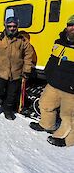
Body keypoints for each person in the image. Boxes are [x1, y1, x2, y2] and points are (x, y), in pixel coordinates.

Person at [30, 15, 74, 147]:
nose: (73, 28)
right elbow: (53, 58)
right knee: (45, 104)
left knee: (69, 115)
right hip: (54, 83)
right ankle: (46, 124)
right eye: (71, 25)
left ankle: (67, 139)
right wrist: (49, 73)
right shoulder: (59, 41)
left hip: (71, 87)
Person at [0, 16, 34, 120]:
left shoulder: (22, 40)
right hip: (0, 72)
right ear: (5, 26)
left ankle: (7, 110)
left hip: (16, 73)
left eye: (14, 26)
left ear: (17, 27)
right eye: (9, 26)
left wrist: (27, 70)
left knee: (11, 95)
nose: (12, 28)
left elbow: (28, 55)